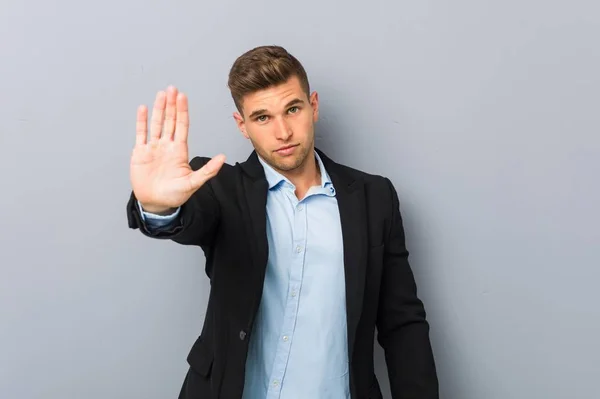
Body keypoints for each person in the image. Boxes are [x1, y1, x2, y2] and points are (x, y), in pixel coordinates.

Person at [126, 45, 438, 399]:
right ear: (242, 126)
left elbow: (403, 322)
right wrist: (157, 207)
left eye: (292, 109)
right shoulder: (219, 189)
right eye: (262, 118)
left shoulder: (374, 197)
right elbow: (187, 220)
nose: (283, 132)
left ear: (313, 105)